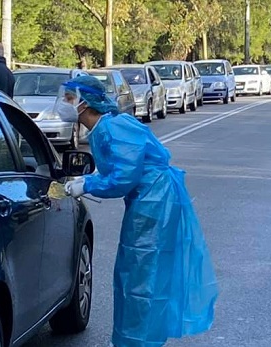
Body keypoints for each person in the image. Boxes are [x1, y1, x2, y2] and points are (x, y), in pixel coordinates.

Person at [56, 75, 218, 347]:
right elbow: (121, 165)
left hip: (154, 201)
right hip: (148, 199)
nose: (64, 103)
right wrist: (91, 177)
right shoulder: (103, 128)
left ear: (85, 102)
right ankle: (130, 339)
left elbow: (123, 178)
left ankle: (138, 341)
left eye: (70, 98)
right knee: (132, 272)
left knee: (143, 273)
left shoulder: (114, 126)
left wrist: (87, 184)